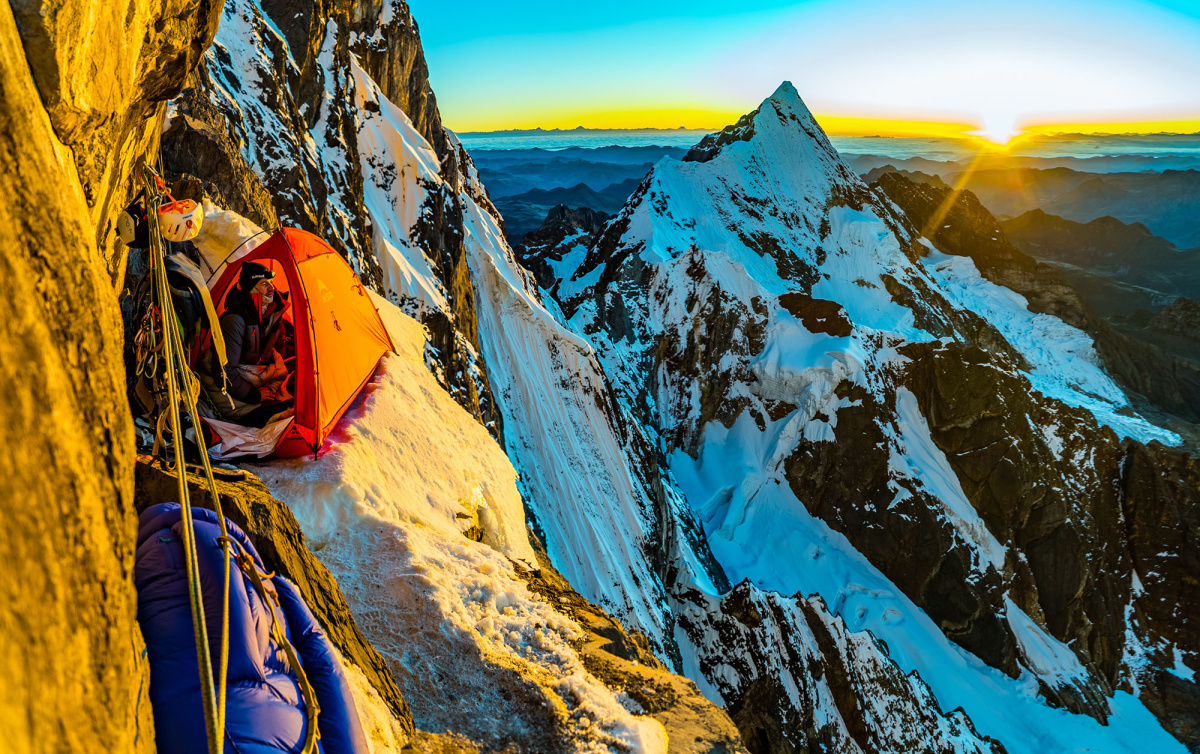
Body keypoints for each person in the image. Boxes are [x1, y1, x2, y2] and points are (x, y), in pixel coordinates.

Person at [202, 262, 294, 427]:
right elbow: (224, 373)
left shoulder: (272, 313)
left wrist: (271, 383)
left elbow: (278, 349)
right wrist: (255, 395)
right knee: (274, 416)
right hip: (222, 385)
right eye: (264, 284)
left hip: (250, 379)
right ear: (250, 289)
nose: (271, 288)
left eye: (271, 282)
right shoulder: (234, 321)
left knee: (295, 405)